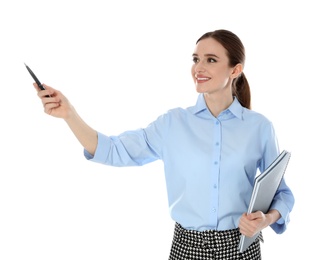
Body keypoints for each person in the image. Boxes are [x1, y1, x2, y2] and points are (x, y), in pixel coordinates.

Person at [33, 29, 294, 260]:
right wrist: (69, 114)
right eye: (195, 59)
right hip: (186, 248)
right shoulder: (172, 123)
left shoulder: (259, 127)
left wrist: (266, 220)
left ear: (235, 70)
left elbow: (281, 194)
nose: (198, 68)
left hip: (240, 249)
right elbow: (114, 150)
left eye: (210, 60)